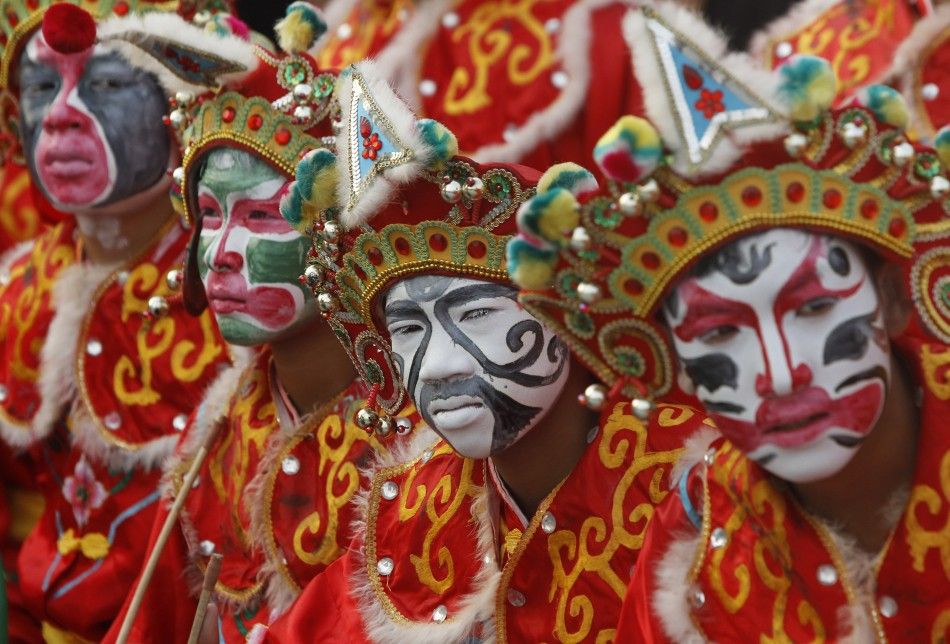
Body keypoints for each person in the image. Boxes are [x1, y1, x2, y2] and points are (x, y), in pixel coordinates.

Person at [503, 3, 950, 640]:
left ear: (894, 300)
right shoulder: (692, 552)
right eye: (720, 332)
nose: (780, 373)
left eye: (815, 307)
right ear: (673, 361)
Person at [250, 60, 708, 643]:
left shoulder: (689, 489)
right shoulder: (417, 511)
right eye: (409, 330)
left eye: (478, 315)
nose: (440, 365)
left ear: (566, 315)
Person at [104, 7, 410, 641]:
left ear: (339, 237)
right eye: (211, 216)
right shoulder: (222, 426)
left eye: (265, 217)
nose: (224, 250)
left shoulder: (416, 443)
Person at [0, 2, 253, 639]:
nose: (59, 114)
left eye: (107, 84)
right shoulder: (16, 292)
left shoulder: (243, 306)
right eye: (38, 87)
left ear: (183, 104)